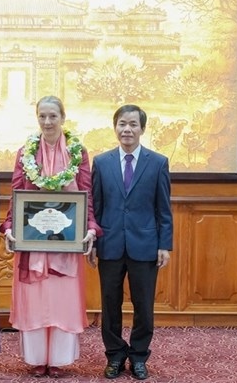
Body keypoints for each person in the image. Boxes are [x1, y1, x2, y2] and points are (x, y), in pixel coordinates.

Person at [1, 95, 101, 378]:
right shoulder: (26, 152)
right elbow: (17, 193)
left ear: (63, 118)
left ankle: (58, 360)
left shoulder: (77, 151)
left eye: (53, 116)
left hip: (66, 241)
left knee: (60, 301)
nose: (47, 122)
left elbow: (86, 193)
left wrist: (90, 227)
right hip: (33, 241)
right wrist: (9, 226)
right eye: (42, 116)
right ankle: (36, 360)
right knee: (35, 301)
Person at [90, 104, 173, 380]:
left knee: (144, 307)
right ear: (115, 127)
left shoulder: (158, 162)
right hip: (110, 244)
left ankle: (138, 356)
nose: (127, 129)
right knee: (109, 306)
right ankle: (114, 356)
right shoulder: (101, 162)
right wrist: (92, 243)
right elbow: (96, 207)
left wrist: (164, 244)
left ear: (142, 129)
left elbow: (163, 208)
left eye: (133, 124)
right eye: (122, 124)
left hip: (145, 246)